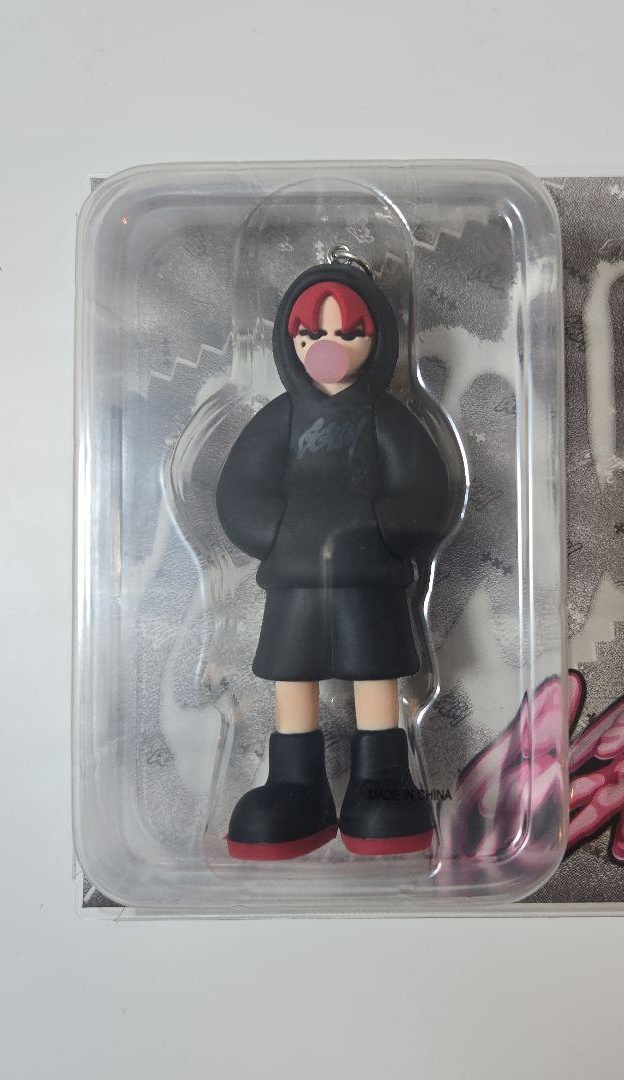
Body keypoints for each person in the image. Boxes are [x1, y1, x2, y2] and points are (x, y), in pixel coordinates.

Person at [216, 255, 454, 859]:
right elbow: (238, 491)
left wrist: (378, 525)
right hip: (294, 583)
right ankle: (295, 786)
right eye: (313, 334)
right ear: (289, 340)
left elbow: (428, 492)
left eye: (348, 332)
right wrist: (279, 530)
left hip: (367, 580)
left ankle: (382, 780)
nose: (329, 346)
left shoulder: (387, 419)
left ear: (377, 340)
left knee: (375, 672)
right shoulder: (280, 419)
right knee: (292, 676)